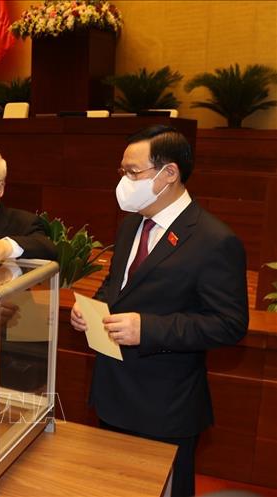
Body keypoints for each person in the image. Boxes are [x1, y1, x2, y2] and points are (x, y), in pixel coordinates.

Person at [69, 125, 248, 497]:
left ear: (170, 174)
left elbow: (229, 325)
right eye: (122, 172)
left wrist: (147, 329)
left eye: (133, 173)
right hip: (112, 394)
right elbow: (117, 286)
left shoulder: (215, 240)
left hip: (165, 407)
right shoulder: (131, 224)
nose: (124, 181)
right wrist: (91, 310)